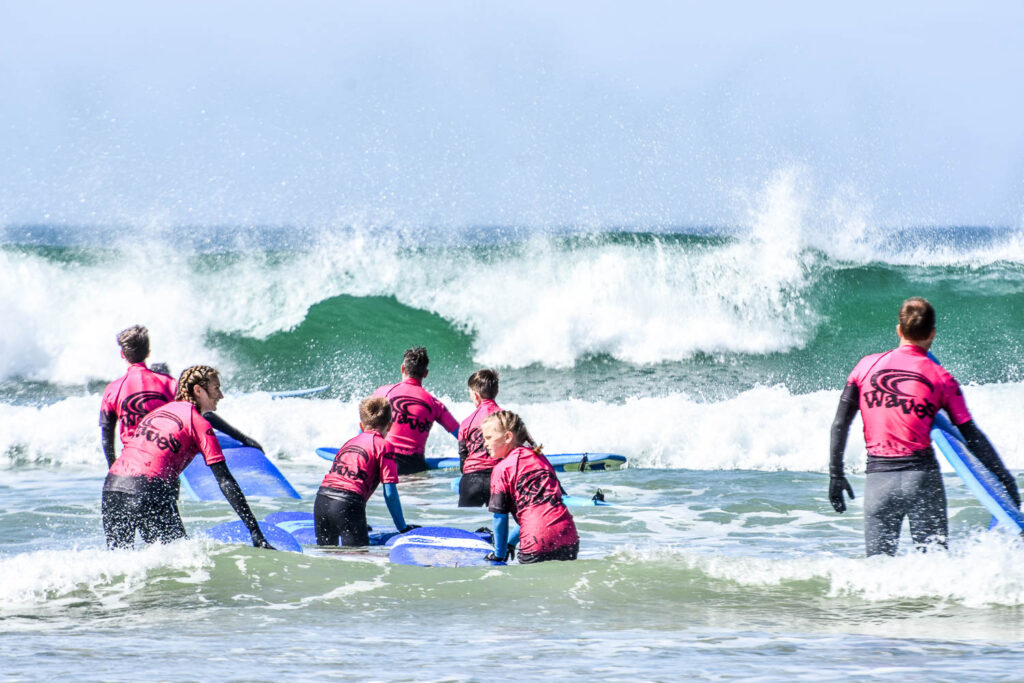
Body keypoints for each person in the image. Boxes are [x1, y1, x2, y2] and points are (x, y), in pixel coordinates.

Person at [829, 297, 1019, 556]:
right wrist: (1004, 480)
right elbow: (971, 436)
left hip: (878, 482)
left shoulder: (865, 366)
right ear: (932, 334)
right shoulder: (941, 378)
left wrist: (836, 475)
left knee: (877, 572)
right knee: (935, 564)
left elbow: (840, 423)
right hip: (921, 479)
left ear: (899, 330)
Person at [102, 365, 274, 550]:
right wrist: (255, 532)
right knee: (178, 560)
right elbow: (225, 481)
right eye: (216, 389)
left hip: (112, 487)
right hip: (148, 489)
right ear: (198, 390)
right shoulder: (199, 423)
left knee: (120, 562)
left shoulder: (157, 413)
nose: (221, 395)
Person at [314, 397, 417, 546]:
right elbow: (390, 494)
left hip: (321, 500)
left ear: (361, 426)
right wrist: (402, 528)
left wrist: (357, 522)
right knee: (358, 561)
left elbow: (346, 481)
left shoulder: (349, 443)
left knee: (326, 557)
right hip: (348, 505)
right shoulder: (384, 446)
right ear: (389, 426)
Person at [483, 411, 579, 564]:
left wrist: (499, 554)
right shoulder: (540, 458)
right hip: (568, 536)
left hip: (536, 543)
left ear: (507, 437)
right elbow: (539, 513)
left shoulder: (502, 469)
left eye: (489, 438)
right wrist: (511, 543)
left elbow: (500, 518)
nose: (485, 443)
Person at [372, 347, 459, 475]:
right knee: (413, 493)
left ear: (402, 368)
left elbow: (367, 425)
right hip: (414, 467)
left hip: (384, 462)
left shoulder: (383, 392)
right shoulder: (435, 404)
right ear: (426, 374)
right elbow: (462, 435)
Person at [99, 325, 177, 467]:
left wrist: (114, 469)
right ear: (148, 353)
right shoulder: (170, 384)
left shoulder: (112, 389)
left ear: (122, 354)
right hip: (162, 466)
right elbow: (191, 420)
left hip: (127, 469)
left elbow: (106, 439)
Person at [457, 369, 503, 507]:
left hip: (471, 480)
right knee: (500, 525)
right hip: (497, 479)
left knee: (466, 525)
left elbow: (463, 460)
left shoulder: (466, 422)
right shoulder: (508, 419)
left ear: (476, 395)